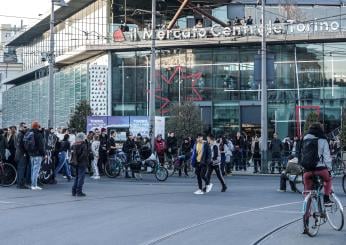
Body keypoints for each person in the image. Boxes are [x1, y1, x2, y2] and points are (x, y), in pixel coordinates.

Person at [303, 123, 333, 206]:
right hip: (320, 169)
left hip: (307, 170)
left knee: (308, 189)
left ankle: (306, 211)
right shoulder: (323, 139)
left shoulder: (305, 138)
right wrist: (329, 169)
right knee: (328, 179)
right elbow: (327, 157)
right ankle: (326, 200)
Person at [26, 121, 45, 190]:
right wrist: (44, 154)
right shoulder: (38, 135)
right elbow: (41, 146)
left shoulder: (29, 133)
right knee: (36, 170)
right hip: (38, 154)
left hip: (31, 154)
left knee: (32, 170)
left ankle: (33, 184)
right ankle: (34, 185)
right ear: (37, 127)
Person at [15, 122, 29, 189]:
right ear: (21, 127)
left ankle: (19, 183)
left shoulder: (18, 134)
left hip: (18, 154)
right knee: (21, 169)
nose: (26, 128)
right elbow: (21, 145)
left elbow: (16, 145)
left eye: (26, 127)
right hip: (21, 154)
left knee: (20, 169)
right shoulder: (21, 135)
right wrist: (24, 153)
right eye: (24, 127)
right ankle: (20, 184)